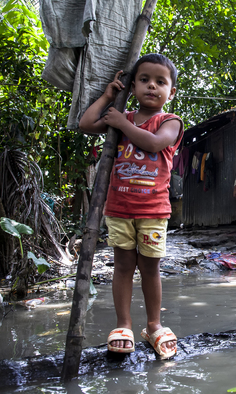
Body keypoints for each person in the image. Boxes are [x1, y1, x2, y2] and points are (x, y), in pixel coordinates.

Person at [79, 53, 182, 358]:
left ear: (170, 92)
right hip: (119, 208)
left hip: (153, 211)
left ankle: (153, 325)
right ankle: (123, 323)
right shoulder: (118, 118)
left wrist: (122, 122)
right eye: (144, 80)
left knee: (150, 268)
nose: (152, 86)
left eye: (160, 82)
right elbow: (86, 124)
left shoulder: (169, 121)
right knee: (123, 266)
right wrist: (109, 96)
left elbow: (153, 143)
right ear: (133, 86)